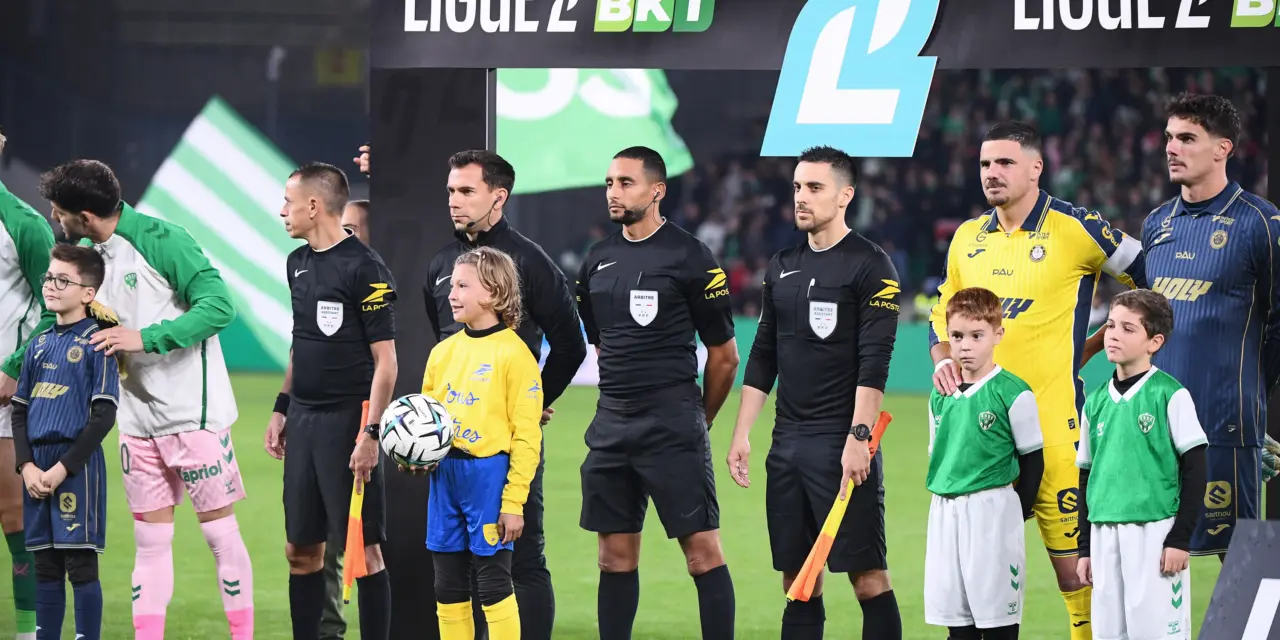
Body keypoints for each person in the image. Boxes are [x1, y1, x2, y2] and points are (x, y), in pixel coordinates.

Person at [927, 121, 1146, 640]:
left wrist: (1101, 342)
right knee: (974, 583)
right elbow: (941, 314)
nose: (992, 172)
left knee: (1076, 574)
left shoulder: (1076, 228)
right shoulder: (967, 238)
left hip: (1054, 432)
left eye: (1005, 162)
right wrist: (941, 358)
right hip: (978, 441)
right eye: (985, 163)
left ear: (1035, 168)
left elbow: (1150, 276)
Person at [39, 159, 255, 640]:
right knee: (150, 541)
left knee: (219, 534)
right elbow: (56, 322)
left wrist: (146, 338)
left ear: (85, 215)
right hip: (136, 420)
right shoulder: (86, 256)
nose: (56, 218)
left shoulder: (162, 239)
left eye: (59, 211)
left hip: (192, 414)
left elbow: (219, 305)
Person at [727, 146, 903, 639]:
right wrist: (742, 433)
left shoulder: (871, 265)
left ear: (845, 195)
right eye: (797, 187)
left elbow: (875, 363)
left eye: (815, 187)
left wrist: (859, 438)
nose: (801, 197)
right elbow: (763, 354)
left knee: (867, 578)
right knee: (799, 580)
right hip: (787, 445)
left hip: (841, 443)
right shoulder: (782, 264)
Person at [575, 146, 740, 640]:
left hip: (672, 426)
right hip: (611, 426)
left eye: (626, 182)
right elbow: (602, 344)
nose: (613, 192)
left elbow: (725, 357)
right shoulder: (597, 259)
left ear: (657, 191)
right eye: (609, 183)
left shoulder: (691, 256)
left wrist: (699, 418)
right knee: (613, 557)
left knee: (702, 554)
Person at [422, 149, 586, 640]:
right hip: (451, 455)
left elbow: (571, 344)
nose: (454, 201)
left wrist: (532, 403)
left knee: (522, 559)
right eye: (450, 191)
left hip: (505, 447)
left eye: (466, 191)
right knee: (453, 572)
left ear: (499, 197)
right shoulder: (440, 264)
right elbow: (444, 345)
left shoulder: (529, 260)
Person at [1140, 92, 1280, 559]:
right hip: (1157, 427)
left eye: (1187, 138)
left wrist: (1253, 397)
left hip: (1225, 427)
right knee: (1155, 560)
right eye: (1169, 137)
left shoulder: (1261, 223)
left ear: (1223, 148)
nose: (1171, 148)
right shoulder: (1156, 224)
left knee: (1239, 564)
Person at [267, 162, 397, 640]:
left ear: (314, 205)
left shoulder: (365, 267)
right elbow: (301, 341)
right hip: (303, 420)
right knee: (301, 551)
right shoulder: (296, 263)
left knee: (365, 554)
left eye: (288, 201)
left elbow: (387, 362)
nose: (283, 211)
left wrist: (370, 434)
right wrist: (282, 407)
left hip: (348, 423)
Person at [418, 246, 543, 640]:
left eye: (462, 286)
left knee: (492, 583)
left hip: (488, 476)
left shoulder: (515, 354)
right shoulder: (442, 353)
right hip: (444, 476)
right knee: (447, 585)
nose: (451, 294)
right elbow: (426, 421)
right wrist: (415, 456)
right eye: (452, 286)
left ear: (493, 292)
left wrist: (513, 503)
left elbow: (527, 436)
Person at [1075, 289, 1207, 640]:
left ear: (1154, 342)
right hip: (1104, 535)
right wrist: (1085, 549)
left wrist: (1180, 539)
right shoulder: (1095, 402)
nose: (1113, 335)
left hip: (1154, 535)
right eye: (1110, 325)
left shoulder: (1170, 394)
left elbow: (1196, 471)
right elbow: (1086, 476)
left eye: (1128, 328)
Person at [923, 287, 1045, 640]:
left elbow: (1033, 463)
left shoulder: (1013, 392)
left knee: (997, 625)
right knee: (957, 626)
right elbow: (937, 453)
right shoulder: (940, 394)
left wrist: (1011, 514)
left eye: (977, 336)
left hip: (991, 511)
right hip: (944, 512)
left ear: (997, 334)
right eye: (957, 336)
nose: (965, 346)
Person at [11, 244, 119, 640]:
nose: (50, 286)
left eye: (62, 280)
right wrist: (26, 467)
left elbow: (103, 416)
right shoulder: (38, 342)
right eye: (49, 278)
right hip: (36, 467)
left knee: (80, 566)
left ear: (88, 293)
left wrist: (61, 469)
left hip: (76, 467)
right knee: (45, 567)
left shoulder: (99, 343)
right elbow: (19, 410)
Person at [0, 130, 56, 640]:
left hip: (3, 396)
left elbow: (54, 308)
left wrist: (16, 367)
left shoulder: (23, 224)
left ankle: (28, 630)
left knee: (14, 513)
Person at [317, 197, 371, 640]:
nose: (343, 234)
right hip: (329, 424)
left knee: (372, 547)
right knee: (326, 542)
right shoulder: (320, 277)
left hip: (376, 424)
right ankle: (329, 630)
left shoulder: (379, 283)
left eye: (352, 228)